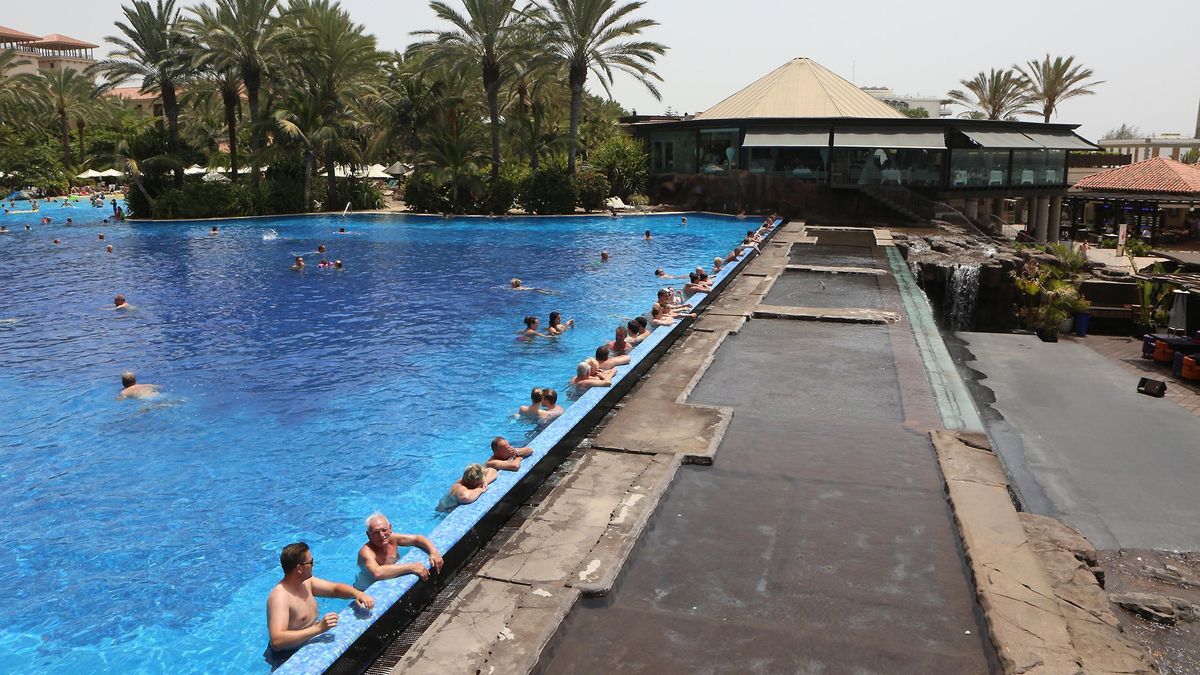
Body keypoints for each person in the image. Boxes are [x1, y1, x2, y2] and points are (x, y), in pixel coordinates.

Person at [265, 542, 374, 668]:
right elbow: (277, 640)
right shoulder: (280, 597)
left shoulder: (306, 583)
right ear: (299, 568)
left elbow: (334, 589)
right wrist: (319, 628)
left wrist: (358, 594)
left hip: (310, 641)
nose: (313, 564)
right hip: (287, 656)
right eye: (311, 562)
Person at [354, 513, 442, 590]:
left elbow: (417, 539)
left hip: (389, 576)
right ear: (368, 535)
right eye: (376, 532)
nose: (381, 535)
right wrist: (411, 567)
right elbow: (377, 573)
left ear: (390, 528)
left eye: (384, 530)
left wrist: (433, 552)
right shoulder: (366, 552)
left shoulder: (392, 538)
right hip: (367, 585)